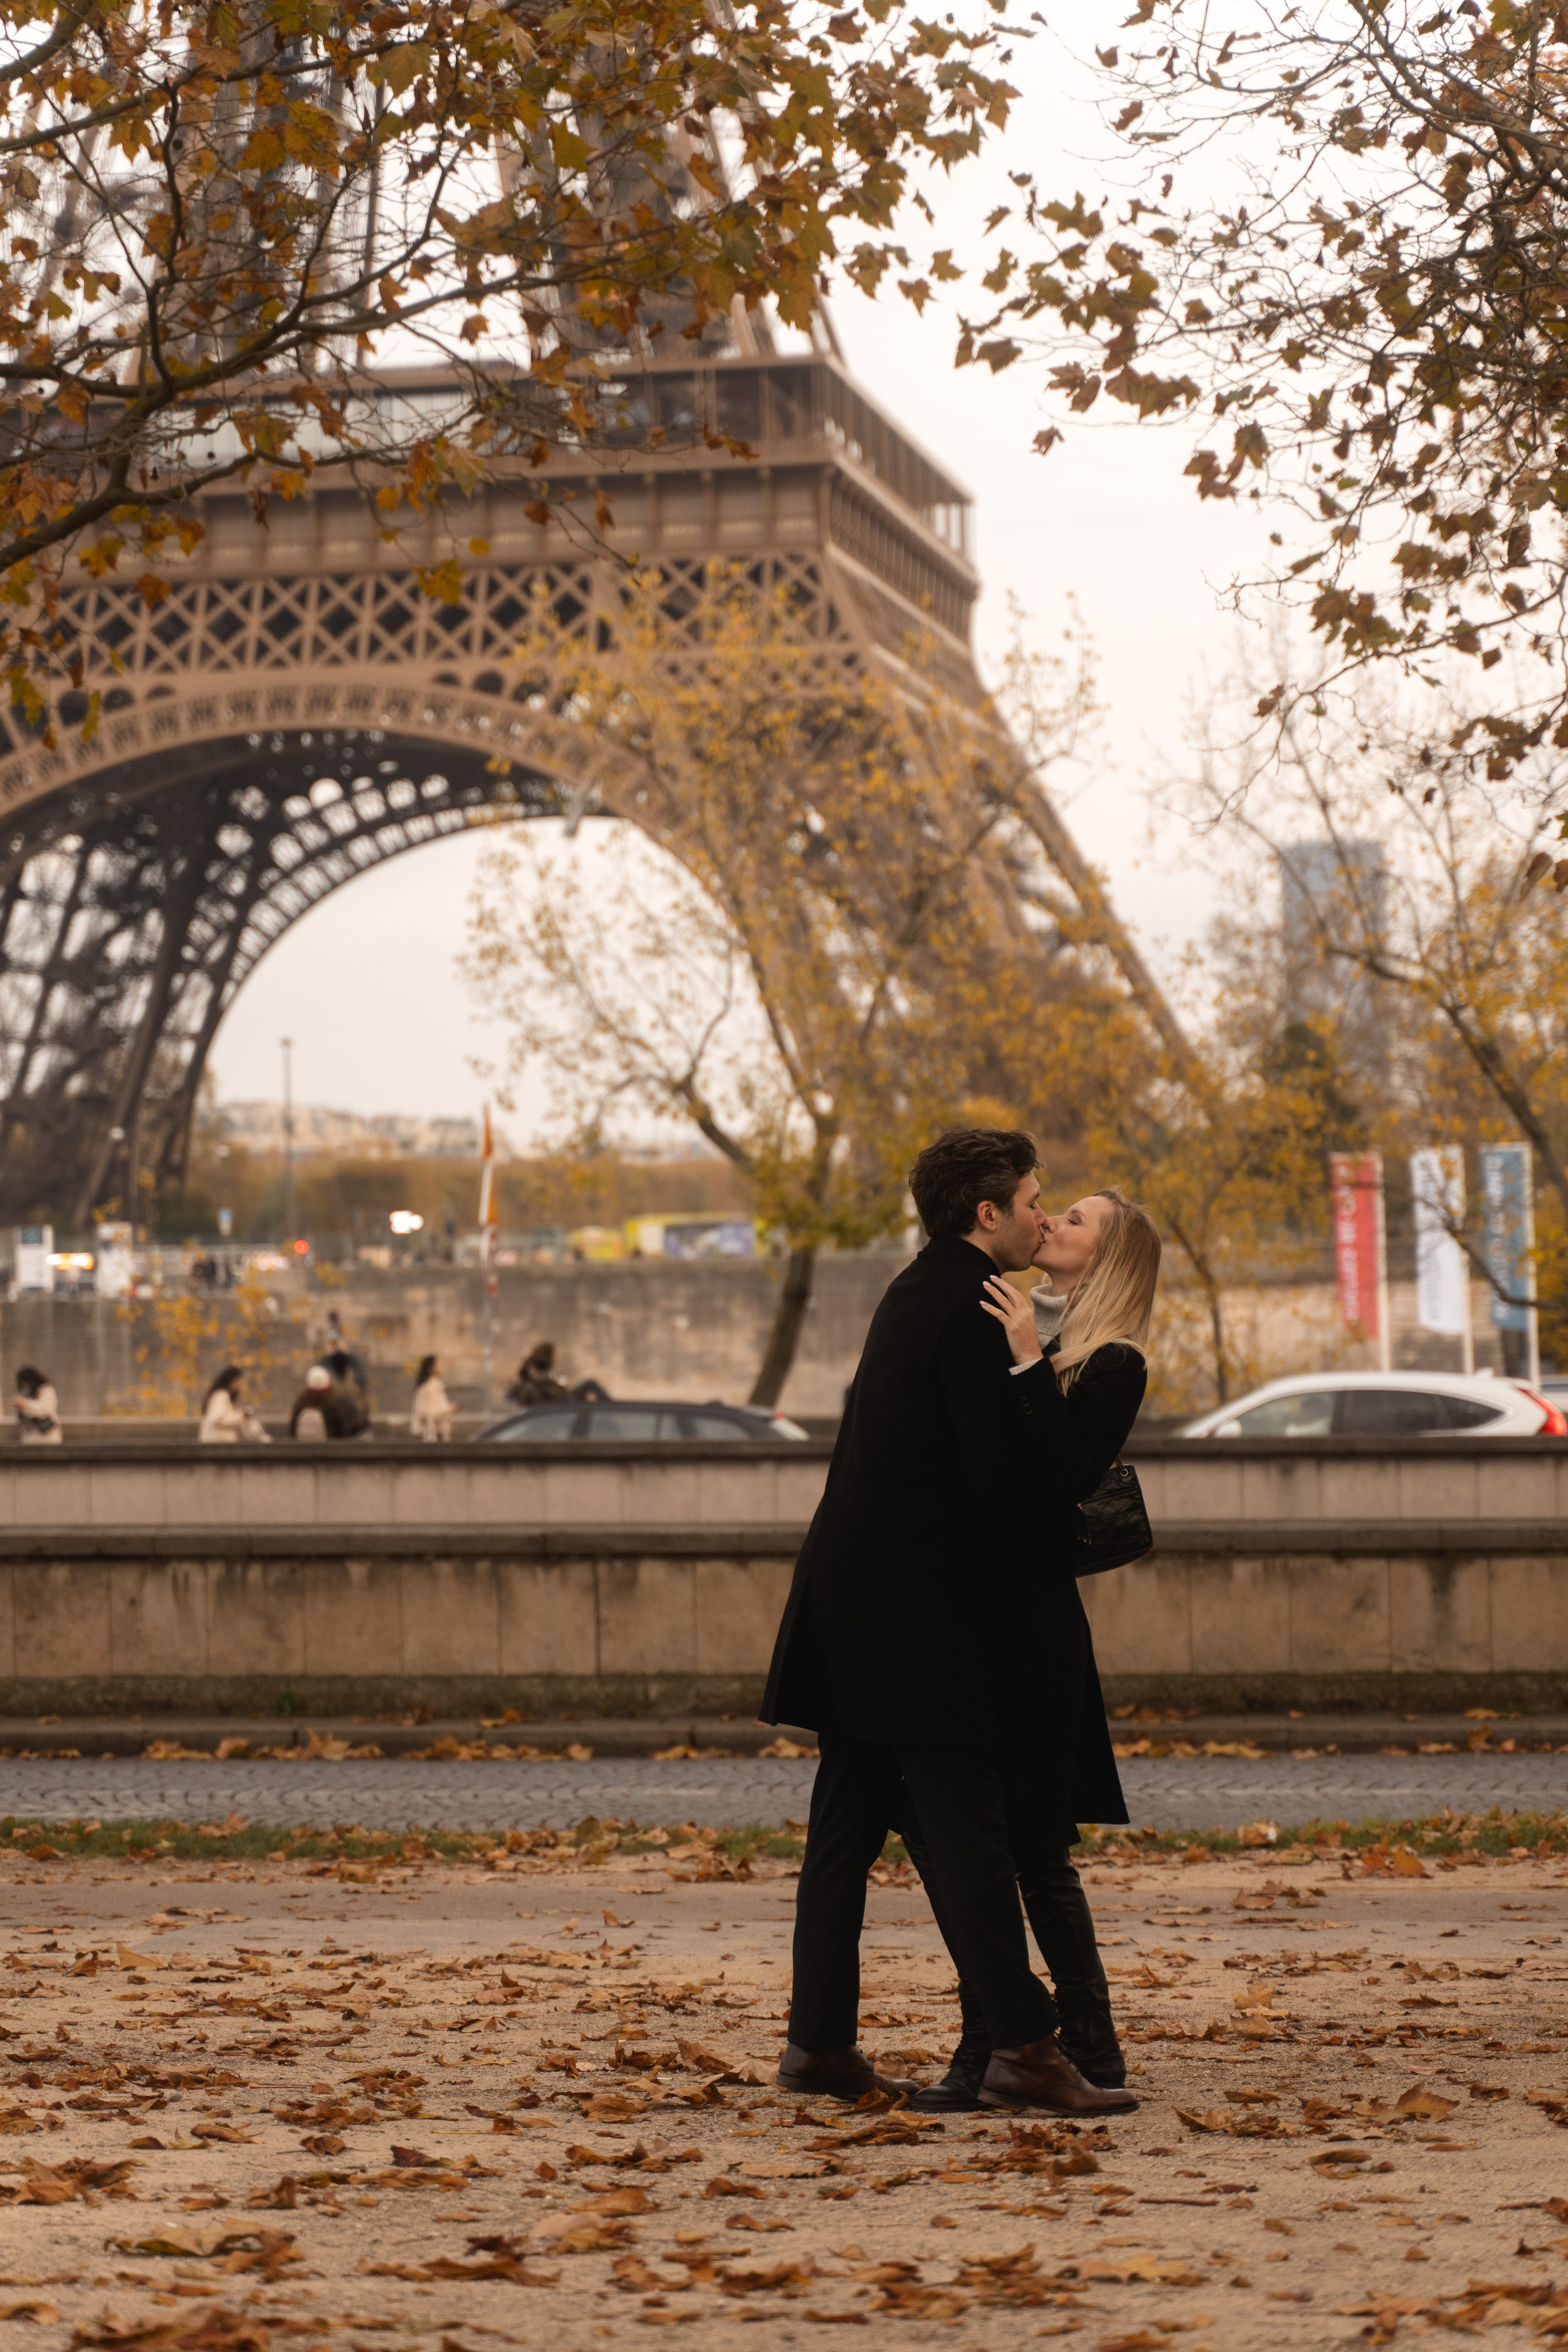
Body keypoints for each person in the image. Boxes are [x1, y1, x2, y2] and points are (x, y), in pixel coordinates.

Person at [758, 1126, 1137, 2119]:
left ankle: (821, 2042)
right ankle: (1022, 2042)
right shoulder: (975, 1312)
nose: (1041, 1215)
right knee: (969, 1830)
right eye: (1032, 1201)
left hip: (853, 1607)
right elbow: (1010, 1485)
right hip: (918, 1624)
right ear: (988, 1213)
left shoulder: (915, 1288)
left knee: (843, 1834)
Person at [903, 1185, 1162, 2111]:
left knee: (1031, 1847)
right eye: (1052, 1211)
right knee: (997, 1847)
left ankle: (1068, 2041)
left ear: (1109, 1257)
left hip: (1034, 1630)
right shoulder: (1054, 1342)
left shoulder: (1115, 1362)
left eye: (1076, 1220)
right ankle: (1027, 2040)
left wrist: (1021, 1361)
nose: (1052, 1223)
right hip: (999, 1619)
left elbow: (1055, 1479)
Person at [507, 1341, 609, 1407]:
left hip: (561, 1403)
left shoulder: (531, 1379)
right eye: (554, 1357)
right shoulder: (541, 1378)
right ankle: (615, 1409)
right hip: (563, 1405)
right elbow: (555, 1395)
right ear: (550, 1359)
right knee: (590, 1384)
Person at [198, 1364, 271, 1444]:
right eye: (237, 1381)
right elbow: (218, 1420)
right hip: (219, 1446)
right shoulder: (221, 1395)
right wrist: (242, 1416)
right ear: (230, 1381)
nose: (238, 1385)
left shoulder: (219, 1396)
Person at [410, 1354, 455, 1441]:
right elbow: (424, 1412)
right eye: (439, 1364)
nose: (442, 1367)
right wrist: (448, 1409)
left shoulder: (437, 1386)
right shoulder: (427, 1388)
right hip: (431, 1437)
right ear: (432, 1368)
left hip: (441, 1434)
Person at [14, 1365, 61, 1444]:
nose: (25, 1386)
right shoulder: (24, 1392)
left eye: (26, 1382)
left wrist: (25, 1403)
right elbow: (23, 1415)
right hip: (30, 1436)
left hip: (47, 1434)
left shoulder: (46, 1390)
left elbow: (44, 1410)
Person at [289, 1364, 337, 1440]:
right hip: (329, 1449)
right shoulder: (333, 1406)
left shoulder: (300, 1405)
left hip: (301, 1449)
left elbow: (292, 1431)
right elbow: (341, 1433)